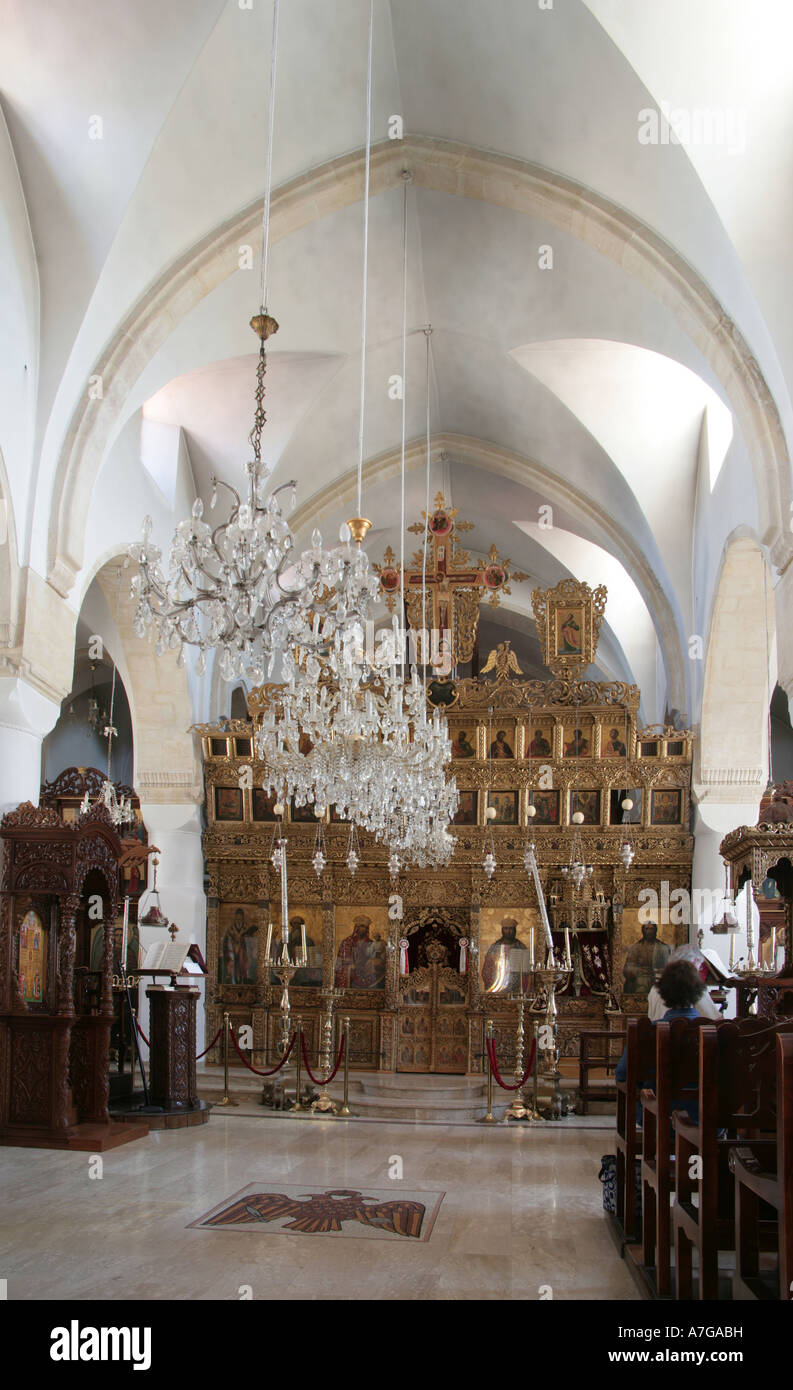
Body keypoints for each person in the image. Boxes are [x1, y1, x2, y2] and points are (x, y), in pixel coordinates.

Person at [616, 960, 708, 1120]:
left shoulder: (647, 1032)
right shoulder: (712, 1032)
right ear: (699, 991)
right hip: (705, 1117)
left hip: (657, 1115)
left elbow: (623, 1074)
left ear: (664, 993)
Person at [646, 944, 721, 1021]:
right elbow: (713, 1019)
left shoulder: (655, 988)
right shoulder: (693, 985)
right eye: (700, 967)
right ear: (695, 962)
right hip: (692, 1031)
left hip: (659, 1030)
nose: (699, 970)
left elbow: (651, 1018)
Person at [623, 921, 671, 996]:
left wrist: (657, 971)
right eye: (647, 929)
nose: (649, 931)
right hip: (640, 980)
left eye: (651, 929)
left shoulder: (663, 948)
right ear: (643, 931)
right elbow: (627, 969)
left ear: (655, 930)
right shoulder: (635, 948)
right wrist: (639, 970)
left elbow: (669, 967)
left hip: (657, 980)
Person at [482, 917, 528, 992]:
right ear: (502, 930)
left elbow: (525, 969)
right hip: (498, 982)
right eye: (506, 929)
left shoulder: (520, 946)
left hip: (516, 985)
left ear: (514, 930)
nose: (508, 931)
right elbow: (487, 968)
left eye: (511, 929)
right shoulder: (495, 946)